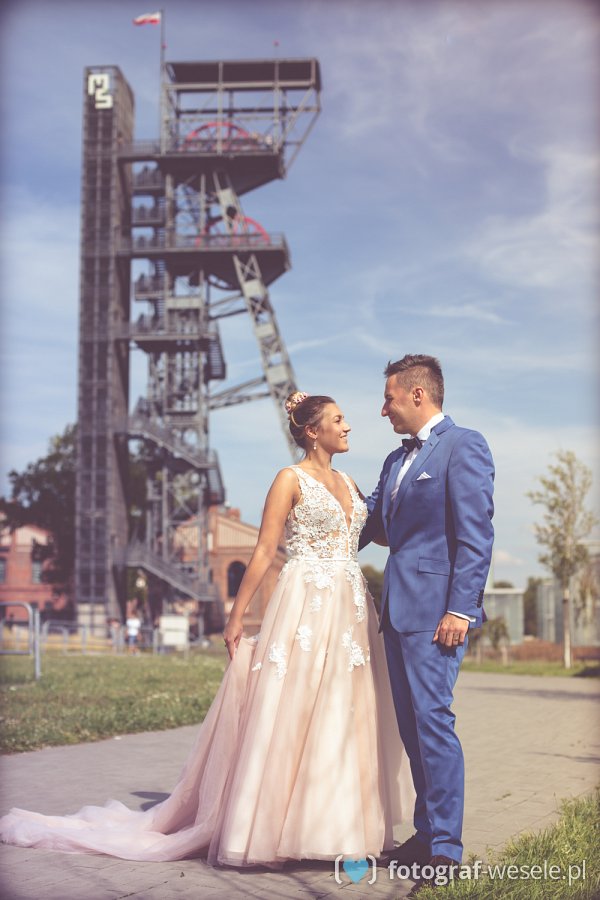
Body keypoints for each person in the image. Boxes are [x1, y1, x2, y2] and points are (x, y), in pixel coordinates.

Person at [0, 391, 414, 868]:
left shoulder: (349, 481)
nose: (347, 426)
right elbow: (264, 551)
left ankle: (340, 826)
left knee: (348, 709)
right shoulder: (289, 479)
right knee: (300, 707)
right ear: (312, 431)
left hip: (352, 606)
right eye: (338, 419)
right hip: (307, 602)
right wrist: (235, 616)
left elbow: (379, 533)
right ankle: (278, 826)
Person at [359, 355, 494, 895]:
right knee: (412, 728)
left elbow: (476, 534)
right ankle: (424, 833)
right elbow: (371, 522)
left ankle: (446, 850)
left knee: (434, 723)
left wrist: (461, 609)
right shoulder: (395, 460)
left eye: (388, 398)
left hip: (439, 615)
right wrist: (316, 486)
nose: (383, 409)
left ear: (418, 395)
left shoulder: (465, 446)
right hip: (396, 612)